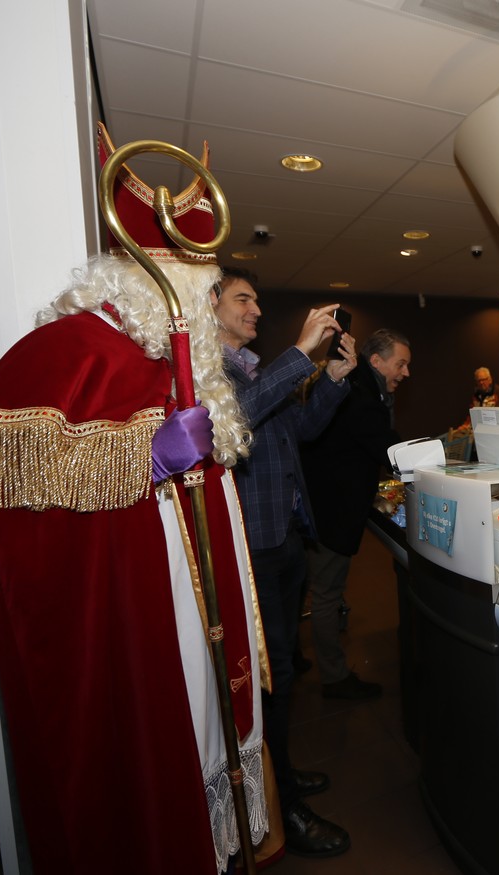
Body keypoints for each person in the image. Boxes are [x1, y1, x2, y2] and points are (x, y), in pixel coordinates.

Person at [0, 125, 266, 873]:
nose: (208, 305)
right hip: (144, 627)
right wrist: (144, 456)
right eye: (202, 289)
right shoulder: (72, 350)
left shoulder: (174, 360)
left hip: (200, 622)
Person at [214, 267, 356, 858]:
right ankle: (279, 809)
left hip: (284, 540)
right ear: (211, 305)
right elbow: (237, 418)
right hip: (253, 548)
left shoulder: (250, 368)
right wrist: (300, 353)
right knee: (268, 680)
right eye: (243, 299)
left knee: (282, 675)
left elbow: (300, 428)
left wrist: (333, 377)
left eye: (256, 300)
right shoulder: (210, 371)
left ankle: (281, 775)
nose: (256, 309)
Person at [301, 329, 412, 700]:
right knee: (327, 594)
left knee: (311, 588)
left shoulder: (363, 388)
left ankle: (292, 657)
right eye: (401, 364)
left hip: (322, 507)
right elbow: (388, 448)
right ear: (376, 361)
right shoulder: (361, 395)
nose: (406, 372)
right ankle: (334, 678)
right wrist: (435, 461)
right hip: (331, 512)